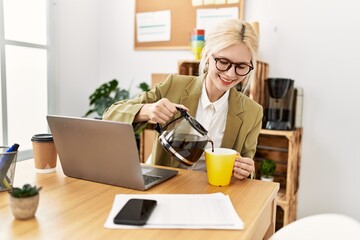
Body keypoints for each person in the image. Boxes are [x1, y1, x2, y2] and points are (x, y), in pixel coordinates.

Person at [103, 19, 262, 180]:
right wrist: (148, 111)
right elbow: (110, 115)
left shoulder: (252, 112)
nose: (230, 74)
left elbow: (247, 165)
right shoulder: (173, 86)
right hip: (163, 184)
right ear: (207, 55)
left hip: (213, 191)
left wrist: (246, 170)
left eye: (241, 66)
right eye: (223, 62)